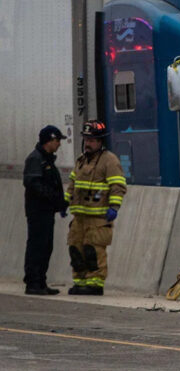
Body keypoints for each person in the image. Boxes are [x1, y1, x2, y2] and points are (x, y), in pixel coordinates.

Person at [65, 120, 126, 295]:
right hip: (79, 217)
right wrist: (65, 201)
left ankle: (95, 285)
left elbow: (118, 185)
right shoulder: (81, 160)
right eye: (86, 140)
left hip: (98, 218)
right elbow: (73, 183)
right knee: (76, 250)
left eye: (92, 140)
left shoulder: (110, 161)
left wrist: (114, 207)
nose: (88, 143)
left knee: (94, 251)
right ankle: (80, 282)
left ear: (100, 142)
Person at [22, 125, 68, 295]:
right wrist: (53, 198)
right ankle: (33, 282)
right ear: (49, 140)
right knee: (37, 246)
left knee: (46, 246)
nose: (59, 144)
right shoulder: (36, 159)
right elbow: (33, 184)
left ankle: (40, 282)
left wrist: (59, 203)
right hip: (38, 211)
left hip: (46, 211)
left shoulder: (46, 159)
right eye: (57, 141)